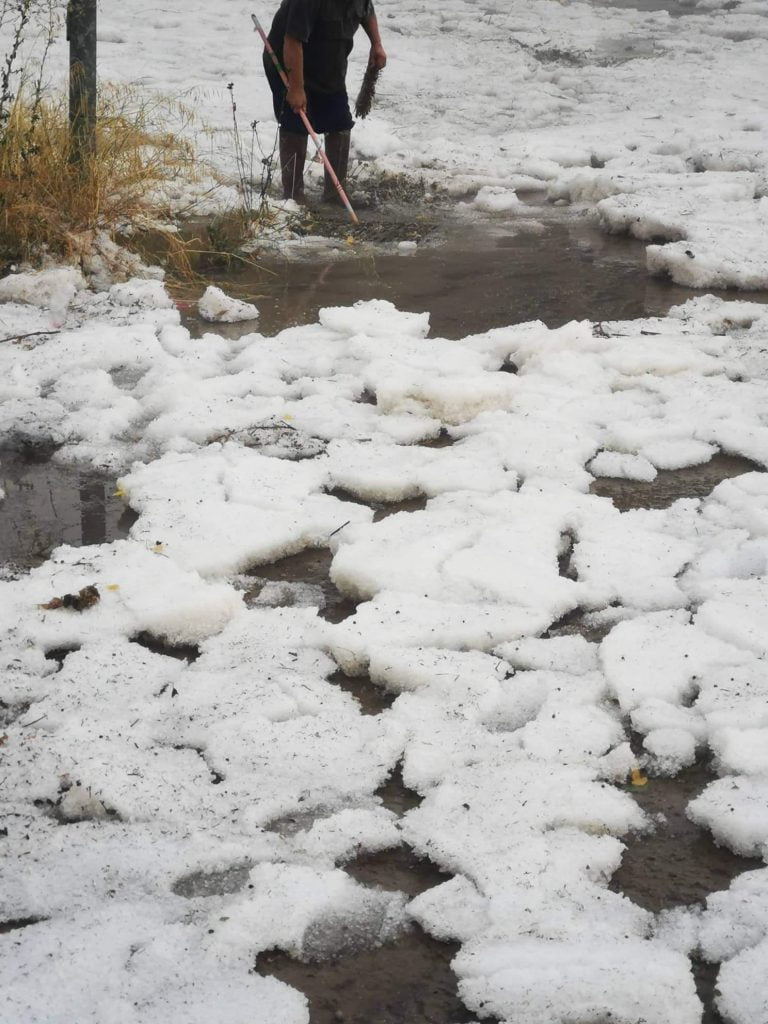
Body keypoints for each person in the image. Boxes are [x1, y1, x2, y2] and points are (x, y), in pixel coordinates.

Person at [264, 0, 386, 205]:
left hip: (330, 58)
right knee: (297, 121)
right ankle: (293, 198)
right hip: (287, 59)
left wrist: (376, 44)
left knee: (339, 120)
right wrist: (295, 88)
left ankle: (335, 194)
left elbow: (366, 10)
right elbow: (292, 41)